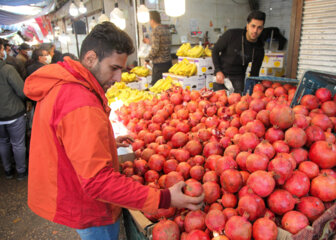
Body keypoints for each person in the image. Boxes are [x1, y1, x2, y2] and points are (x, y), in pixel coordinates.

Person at [24, 22, 203, 240]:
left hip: (70, 188)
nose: (118, 78)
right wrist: (165, 198)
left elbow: (66, 139)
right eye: (114, 68)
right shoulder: (80, 103)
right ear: (91, 58)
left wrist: (106, 141)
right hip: (87, 206)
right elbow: (98, 182)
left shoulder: (65, 84)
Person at [212, 10, 266, 93]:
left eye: (259, 28)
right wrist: (218, 71)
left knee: (237, 104)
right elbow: (215, 50)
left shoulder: (259, 49)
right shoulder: (231, 35)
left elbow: (254, 74)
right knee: (219, 103)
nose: (255, 31)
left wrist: (253, 93)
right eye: (253, 26)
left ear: (262, 29)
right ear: (247, 26)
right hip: (221, 76)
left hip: (239, 79)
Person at [0, 41, 28, 180]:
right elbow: (22, 91)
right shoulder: (7, 69)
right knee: (18, 144)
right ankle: (21, 172)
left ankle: (8, 170)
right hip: (14, 113)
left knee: (3, 142)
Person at [144, 11, 172, 85]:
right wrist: (150, 42)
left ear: (152, 20)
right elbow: (162, 45)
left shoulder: (156, 30)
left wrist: (147, 59)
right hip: (168, 63)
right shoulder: (166, 29)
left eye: (149, 21)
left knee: (156, 87)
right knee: (166, 87)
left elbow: (155, 49)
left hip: (159, 65)